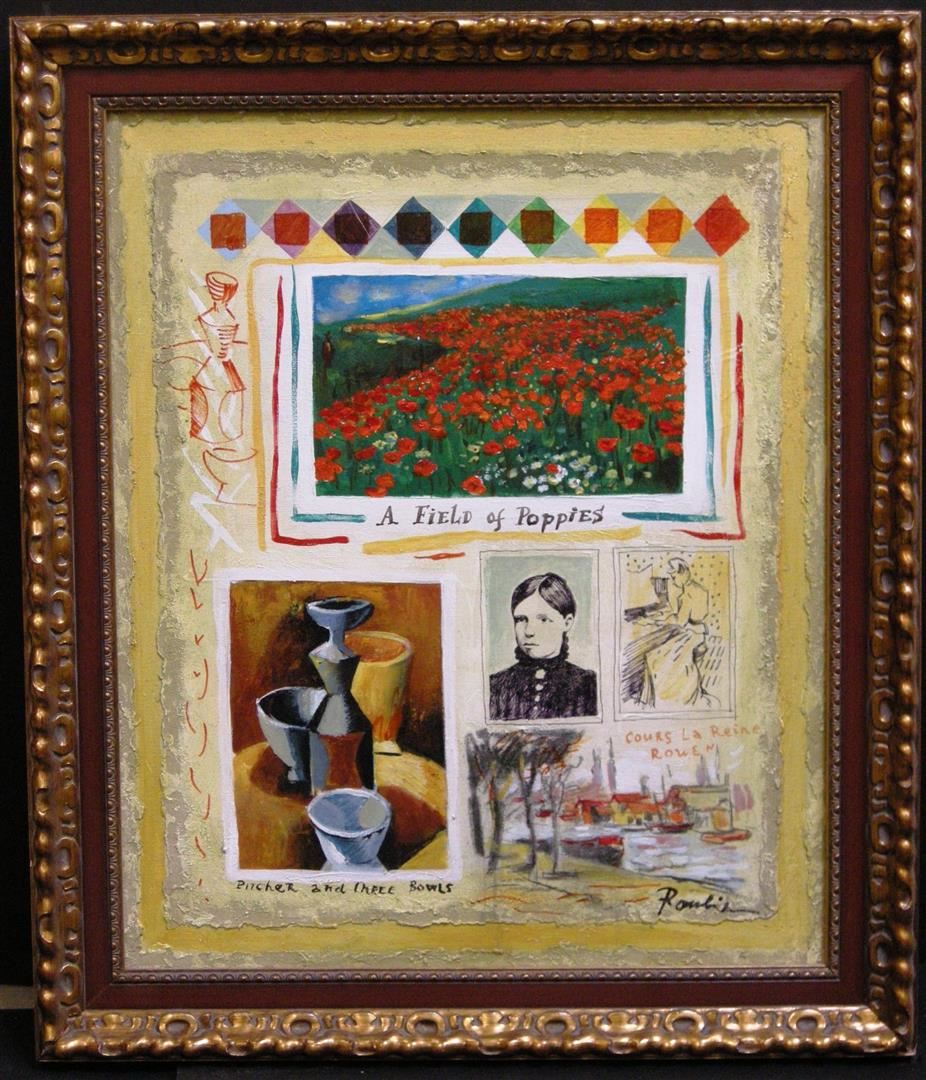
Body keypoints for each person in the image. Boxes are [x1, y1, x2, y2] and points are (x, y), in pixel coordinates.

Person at [489, 572, 598, 721]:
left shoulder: (588, 685)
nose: (529, 631)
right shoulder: (495, 685)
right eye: (521, 619)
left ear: (567, 622)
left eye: (543, 620)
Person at [621, 558, 717, 709]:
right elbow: (684, 617)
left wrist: (656, 620)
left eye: (674, 576)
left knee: (654, 656)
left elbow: (680, 621)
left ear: (683, 572)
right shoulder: (698, 589)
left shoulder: (688, 595)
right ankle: (648, 696)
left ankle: (656, 697)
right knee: (656, 650)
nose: (672, 580)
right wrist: (662, 617)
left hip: (691, 634)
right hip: (697, 631)